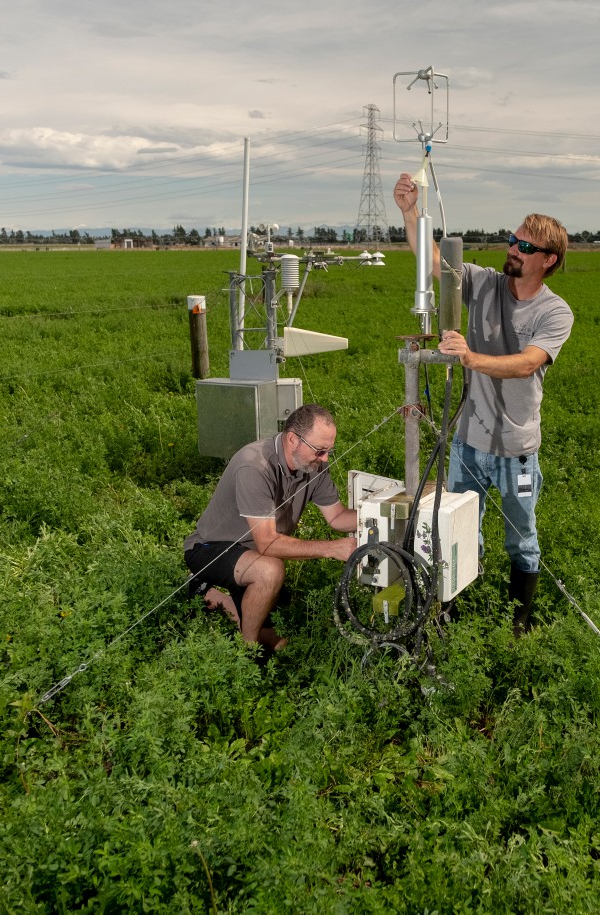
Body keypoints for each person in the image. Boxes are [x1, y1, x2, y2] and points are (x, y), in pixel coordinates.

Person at [393, 173, 574, 636]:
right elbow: (433, 261)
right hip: (469, 444)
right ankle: (454, 618)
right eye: (513, 240)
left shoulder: (555, 312)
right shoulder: (484, 283)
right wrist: (409, 211)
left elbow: (527, 363)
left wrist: (471, 357)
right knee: (458, 532)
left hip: (516, 449)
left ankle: (518, 625)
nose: (513, 249)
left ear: (548, 260)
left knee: (522, 541)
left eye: (525, 247)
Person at [184, 403, 357, 659]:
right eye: (320, 451)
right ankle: (250, 652)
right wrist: (331, 549)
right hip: (213, 548)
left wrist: (382, 513)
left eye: (329, 450)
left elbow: (338, 518)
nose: (325, 459)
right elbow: (266, 543)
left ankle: (204, 591)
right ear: (292, 439)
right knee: (269, 572)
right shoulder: (254, 465)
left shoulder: (312, 465)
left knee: (275, 602)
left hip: (253, 551)